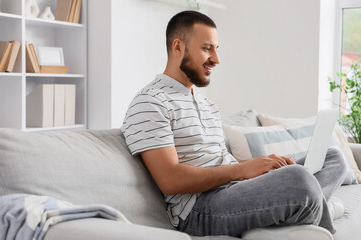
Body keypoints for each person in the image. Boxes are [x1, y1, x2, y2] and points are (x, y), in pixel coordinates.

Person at [121, 10, 347, 237]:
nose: (216, 60)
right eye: (207, 48)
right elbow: (170, 180)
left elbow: (220, 160)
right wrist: (243, 170)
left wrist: (260, 171)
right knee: (299, 180)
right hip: (200, 209)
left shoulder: (207, 105)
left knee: (333, 159)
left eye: (216, 49)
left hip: (233, 190)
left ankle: (300, 210)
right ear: (178, 47)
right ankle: (314, 211)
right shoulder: (150, 102)